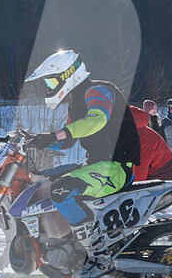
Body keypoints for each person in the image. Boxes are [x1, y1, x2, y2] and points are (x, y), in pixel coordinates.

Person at [24, 49, 141, 234]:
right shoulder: (76, 104)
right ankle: (59, 241)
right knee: (41, 178)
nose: (49, 87)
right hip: (95, 165)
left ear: (69, 74)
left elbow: (96, 120)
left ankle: (93, 245)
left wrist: (54, 135)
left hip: (116, 168)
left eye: (52, 81)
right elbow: (68, 141)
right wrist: (40, 141)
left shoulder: (98, 90)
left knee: (61, 190)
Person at [129, 106, 172, 182]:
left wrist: (131, 189)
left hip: (165, 180)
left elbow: (139, 170)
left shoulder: (142, 137)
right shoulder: (130, 132)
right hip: (151, 177)